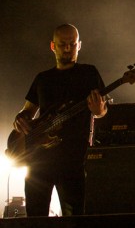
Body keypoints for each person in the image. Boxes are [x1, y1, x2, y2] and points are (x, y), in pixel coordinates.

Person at [11, 24, 107, 216]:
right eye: (63, 44)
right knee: (36, 221)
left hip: (72, 162)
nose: (67, 48)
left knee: (74, 221)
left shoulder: (89, 73)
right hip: (38, 162)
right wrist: (20, 119)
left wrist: (99, 110)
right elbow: (28, 111)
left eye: (72, 44)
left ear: (79, 45)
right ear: (53, 46)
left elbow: (101, 111)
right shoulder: (42, 79)